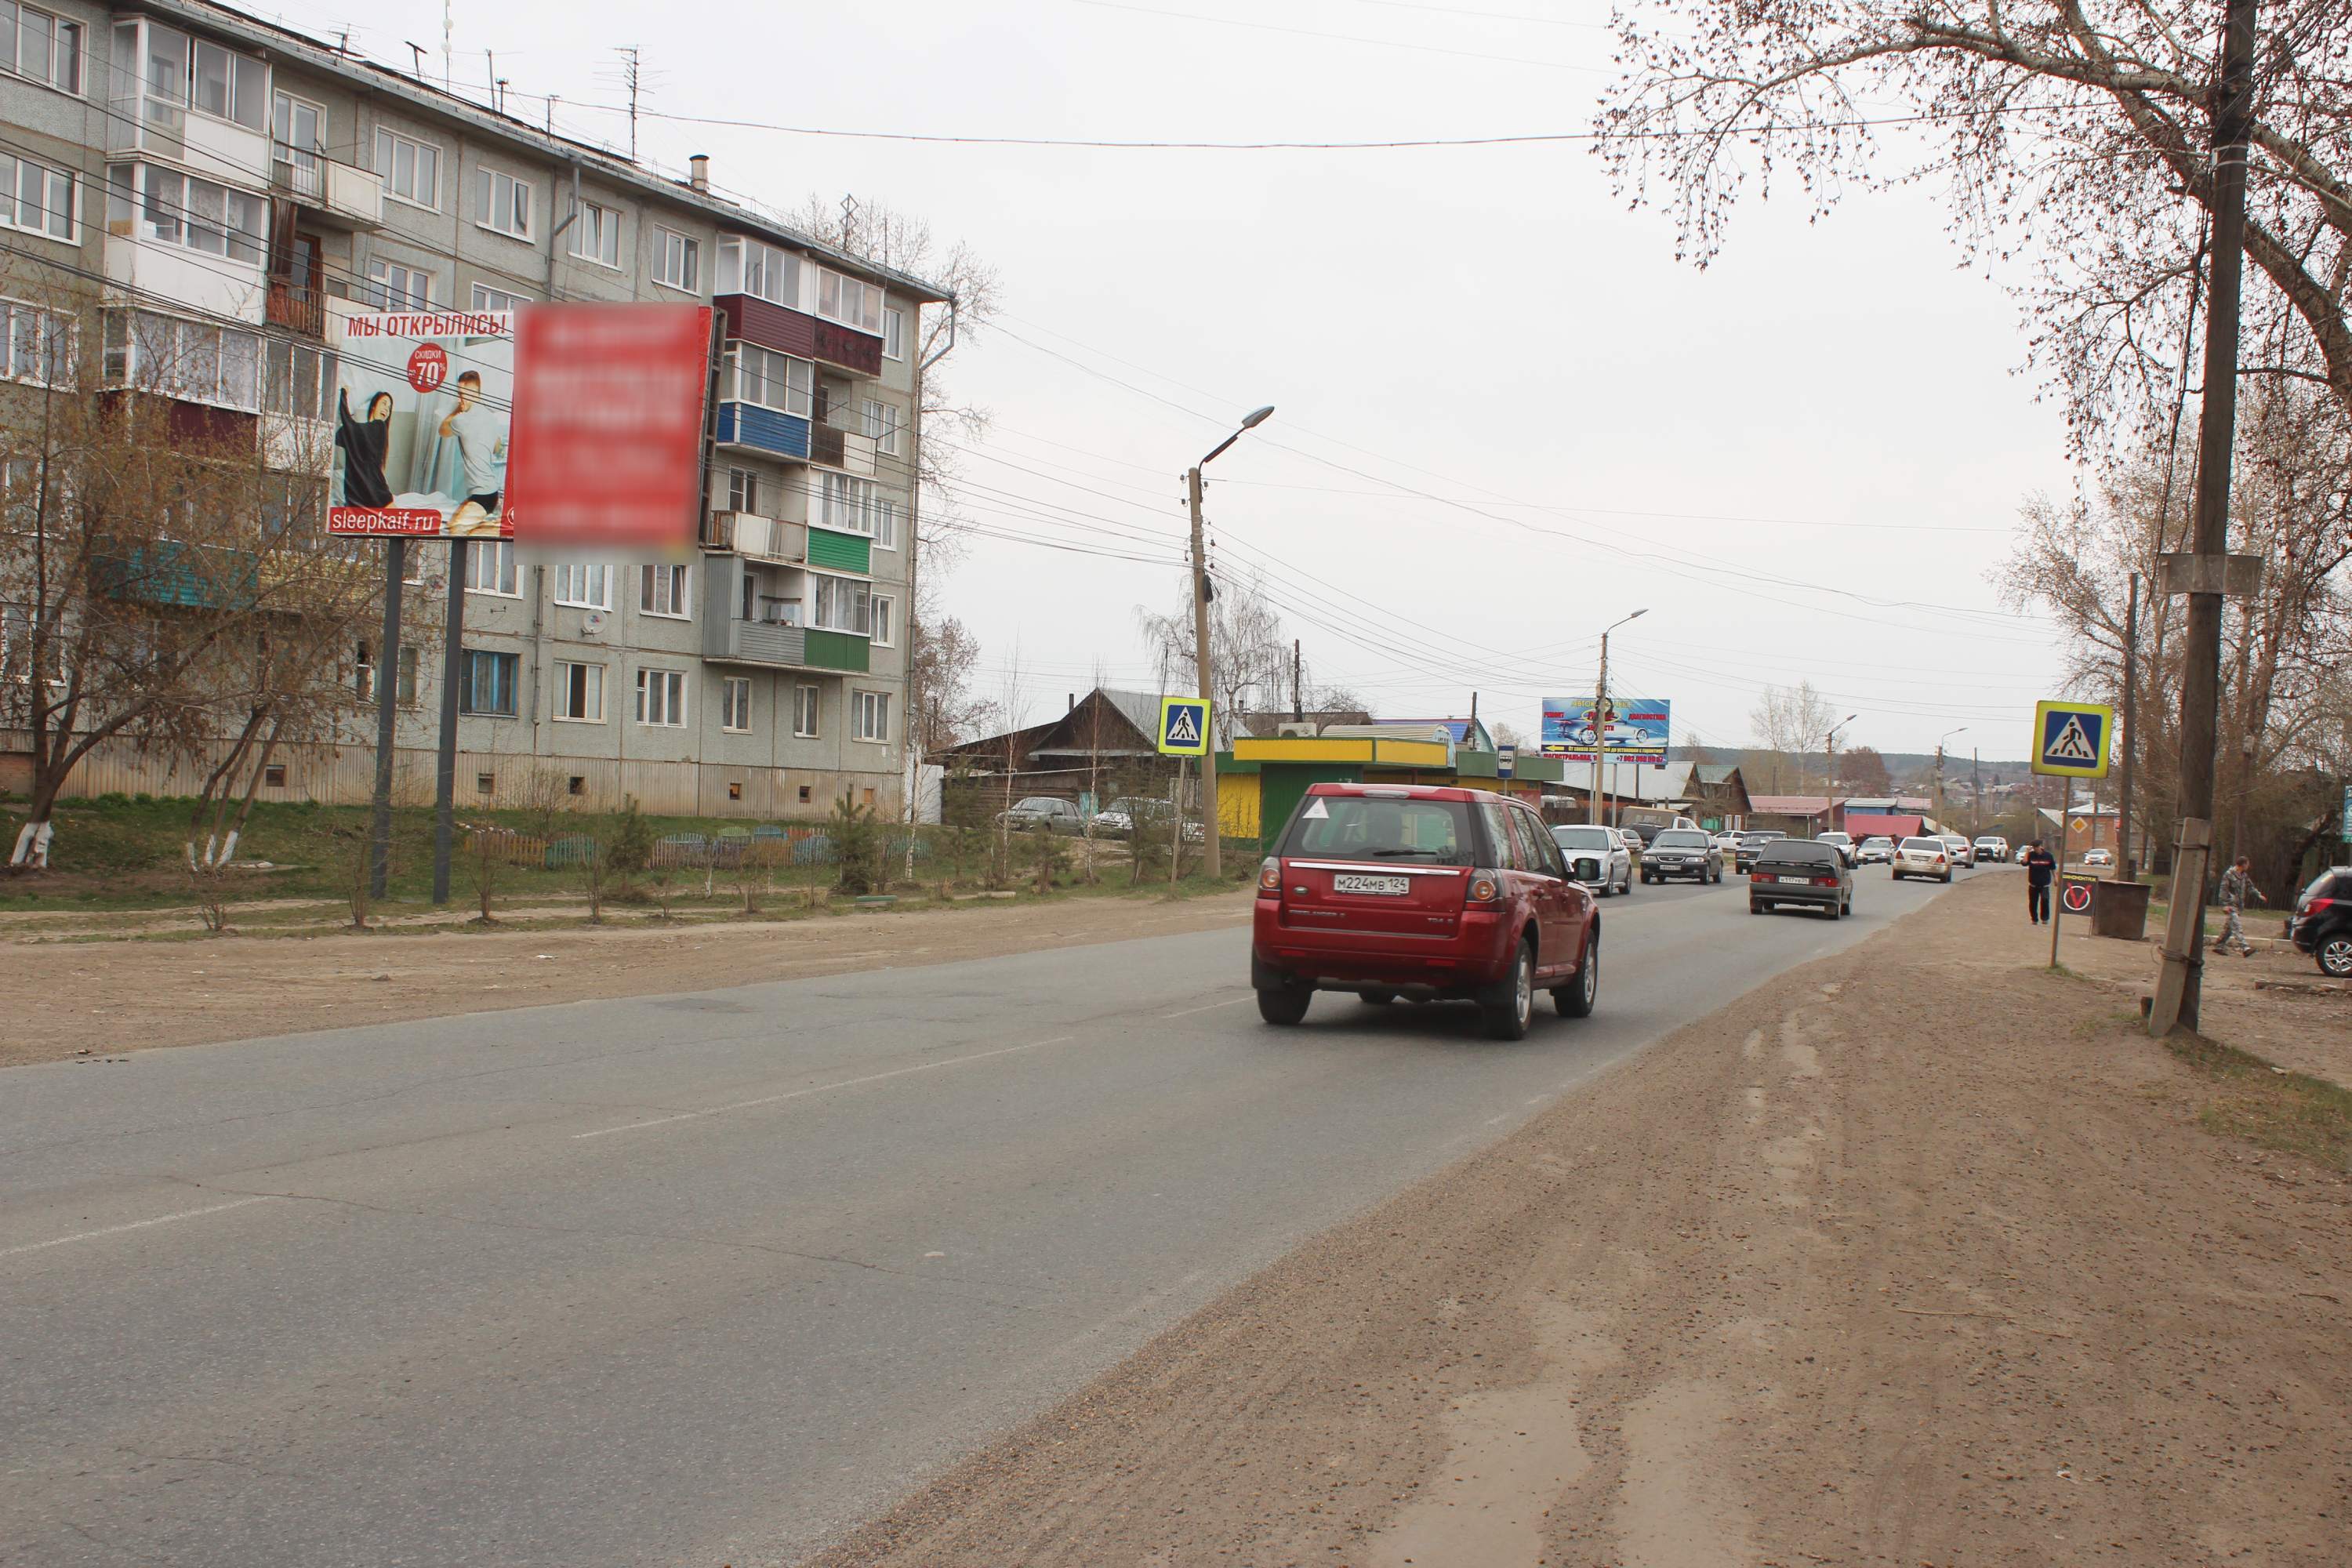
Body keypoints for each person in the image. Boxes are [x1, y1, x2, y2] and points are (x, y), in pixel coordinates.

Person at [438, 371, 507, 535]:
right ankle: (491, 526)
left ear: (474, 393)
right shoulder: (490, 418)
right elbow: (498, 447)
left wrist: (457, 411)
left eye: (462, 394)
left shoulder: (462, 420)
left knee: (455, 531)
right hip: (489, 492)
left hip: (482, 496)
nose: (459, 399)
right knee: (455, 524)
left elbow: (443, 430)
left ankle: (497, 529)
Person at [334, 387, 394, 508]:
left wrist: (343, 395)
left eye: (389, 408)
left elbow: (349, 427)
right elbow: (342, 435)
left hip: (371, 493)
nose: (386, 410)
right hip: (359, 495)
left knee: (400, 524)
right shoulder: (360, 432)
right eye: (384, 404)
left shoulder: (380, 427)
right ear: (374, 406)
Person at [2212, 855, 2265, 956]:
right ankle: (2245, 948)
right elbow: (2223, 890)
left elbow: (2250, 887)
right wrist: (2224, 905)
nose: (2249, 866)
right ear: (2243, 864)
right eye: (2248, 864)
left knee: (2230, 927)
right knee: (2236, 926)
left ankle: (2219, 946)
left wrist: (2259, 895)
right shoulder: (2229, 874)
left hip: (2238, 905)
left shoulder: (2244, 875)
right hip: (2230, 905)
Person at [2023, 838, 2057, 924]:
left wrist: (2056, 878)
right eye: (2034, 848)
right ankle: (2034, 919)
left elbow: (2053, 868)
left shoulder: (2048, 856)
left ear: (2041, 847)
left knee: (2045, 900)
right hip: (2033, 884)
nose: (2036, 849)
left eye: (2037, 847)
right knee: (2033, 902)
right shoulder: (2031, 855)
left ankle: (2045, 918)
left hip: (2045, 884)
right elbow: (2024, 863)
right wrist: (2027, 852)